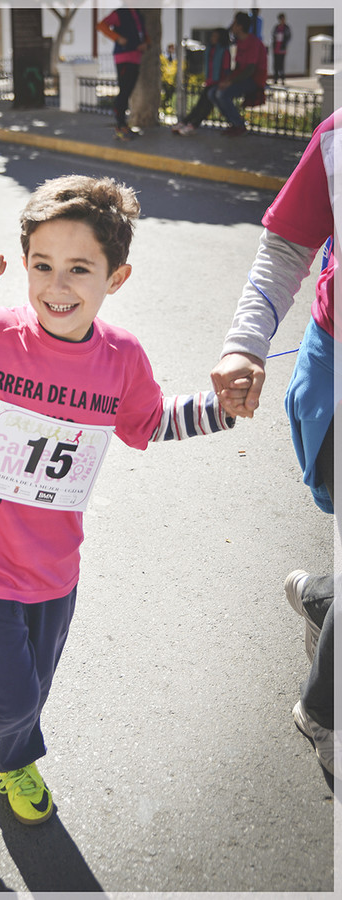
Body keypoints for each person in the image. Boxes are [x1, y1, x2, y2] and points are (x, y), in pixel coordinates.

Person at [0, 175, 240, 826]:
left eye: (78, 270)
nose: (56, 287)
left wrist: (222, 410)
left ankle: (13, 761)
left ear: (115, 278)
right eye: (42, 266)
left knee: (28, 692)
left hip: (55, 566)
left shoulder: (121, 358)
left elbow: (148, 423)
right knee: (3, 698)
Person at [210, 110, 341, 777]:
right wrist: (244, 343)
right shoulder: (339, 137)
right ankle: (325, 713)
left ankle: (323, 596)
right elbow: (289, 246)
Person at [207, 11, 266, 137]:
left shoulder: (253, 43)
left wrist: (230, 82)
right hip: (241, 78)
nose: (232, 26)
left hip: (253, 80)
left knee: (221, 94)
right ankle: (233, 123)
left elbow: (250, 69)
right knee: (212, 93)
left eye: (234, 23)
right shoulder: (240, 42)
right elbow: (238, 67)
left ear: (239, 26)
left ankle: (239, 125)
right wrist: (227, 79)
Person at [96, 8, 150, 141]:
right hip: (124, 57)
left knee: (128, 91)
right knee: (124, 91)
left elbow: (144, 35)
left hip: (136, 57)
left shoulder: (139, 14)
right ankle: (120, 126)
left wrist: (146, 44)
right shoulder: (120, 13)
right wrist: (117, 38)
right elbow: (101, 25)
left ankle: (123, 125)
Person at [172, 28, 231, 135]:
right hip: (210, 81)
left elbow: (226, 69)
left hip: (218, 82)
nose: (212, 38)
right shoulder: (210, 50)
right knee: (201, 105)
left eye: (215, 36)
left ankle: (191, 124)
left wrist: (224, 82)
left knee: (205, 106)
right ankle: (187, 122)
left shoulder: (224, 51)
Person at [271, 13, 291, 85]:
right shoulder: (276, 27)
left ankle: (282, 79)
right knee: (275, 65)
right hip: (276, 48)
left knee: (281, 65)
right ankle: (275, 78)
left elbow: (288, 37)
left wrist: (284, 44)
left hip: (282, 49)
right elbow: (273, 35)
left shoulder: (286, 28)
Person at [160, 43, 177, 109]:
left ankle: (164, 104)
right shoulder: (164, 56)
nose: (172, 50)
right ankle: (163, 104)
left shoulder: (175, 58)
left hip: (171, 80)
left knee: (170, 93)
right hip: (164, 78)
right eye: (171, 48)